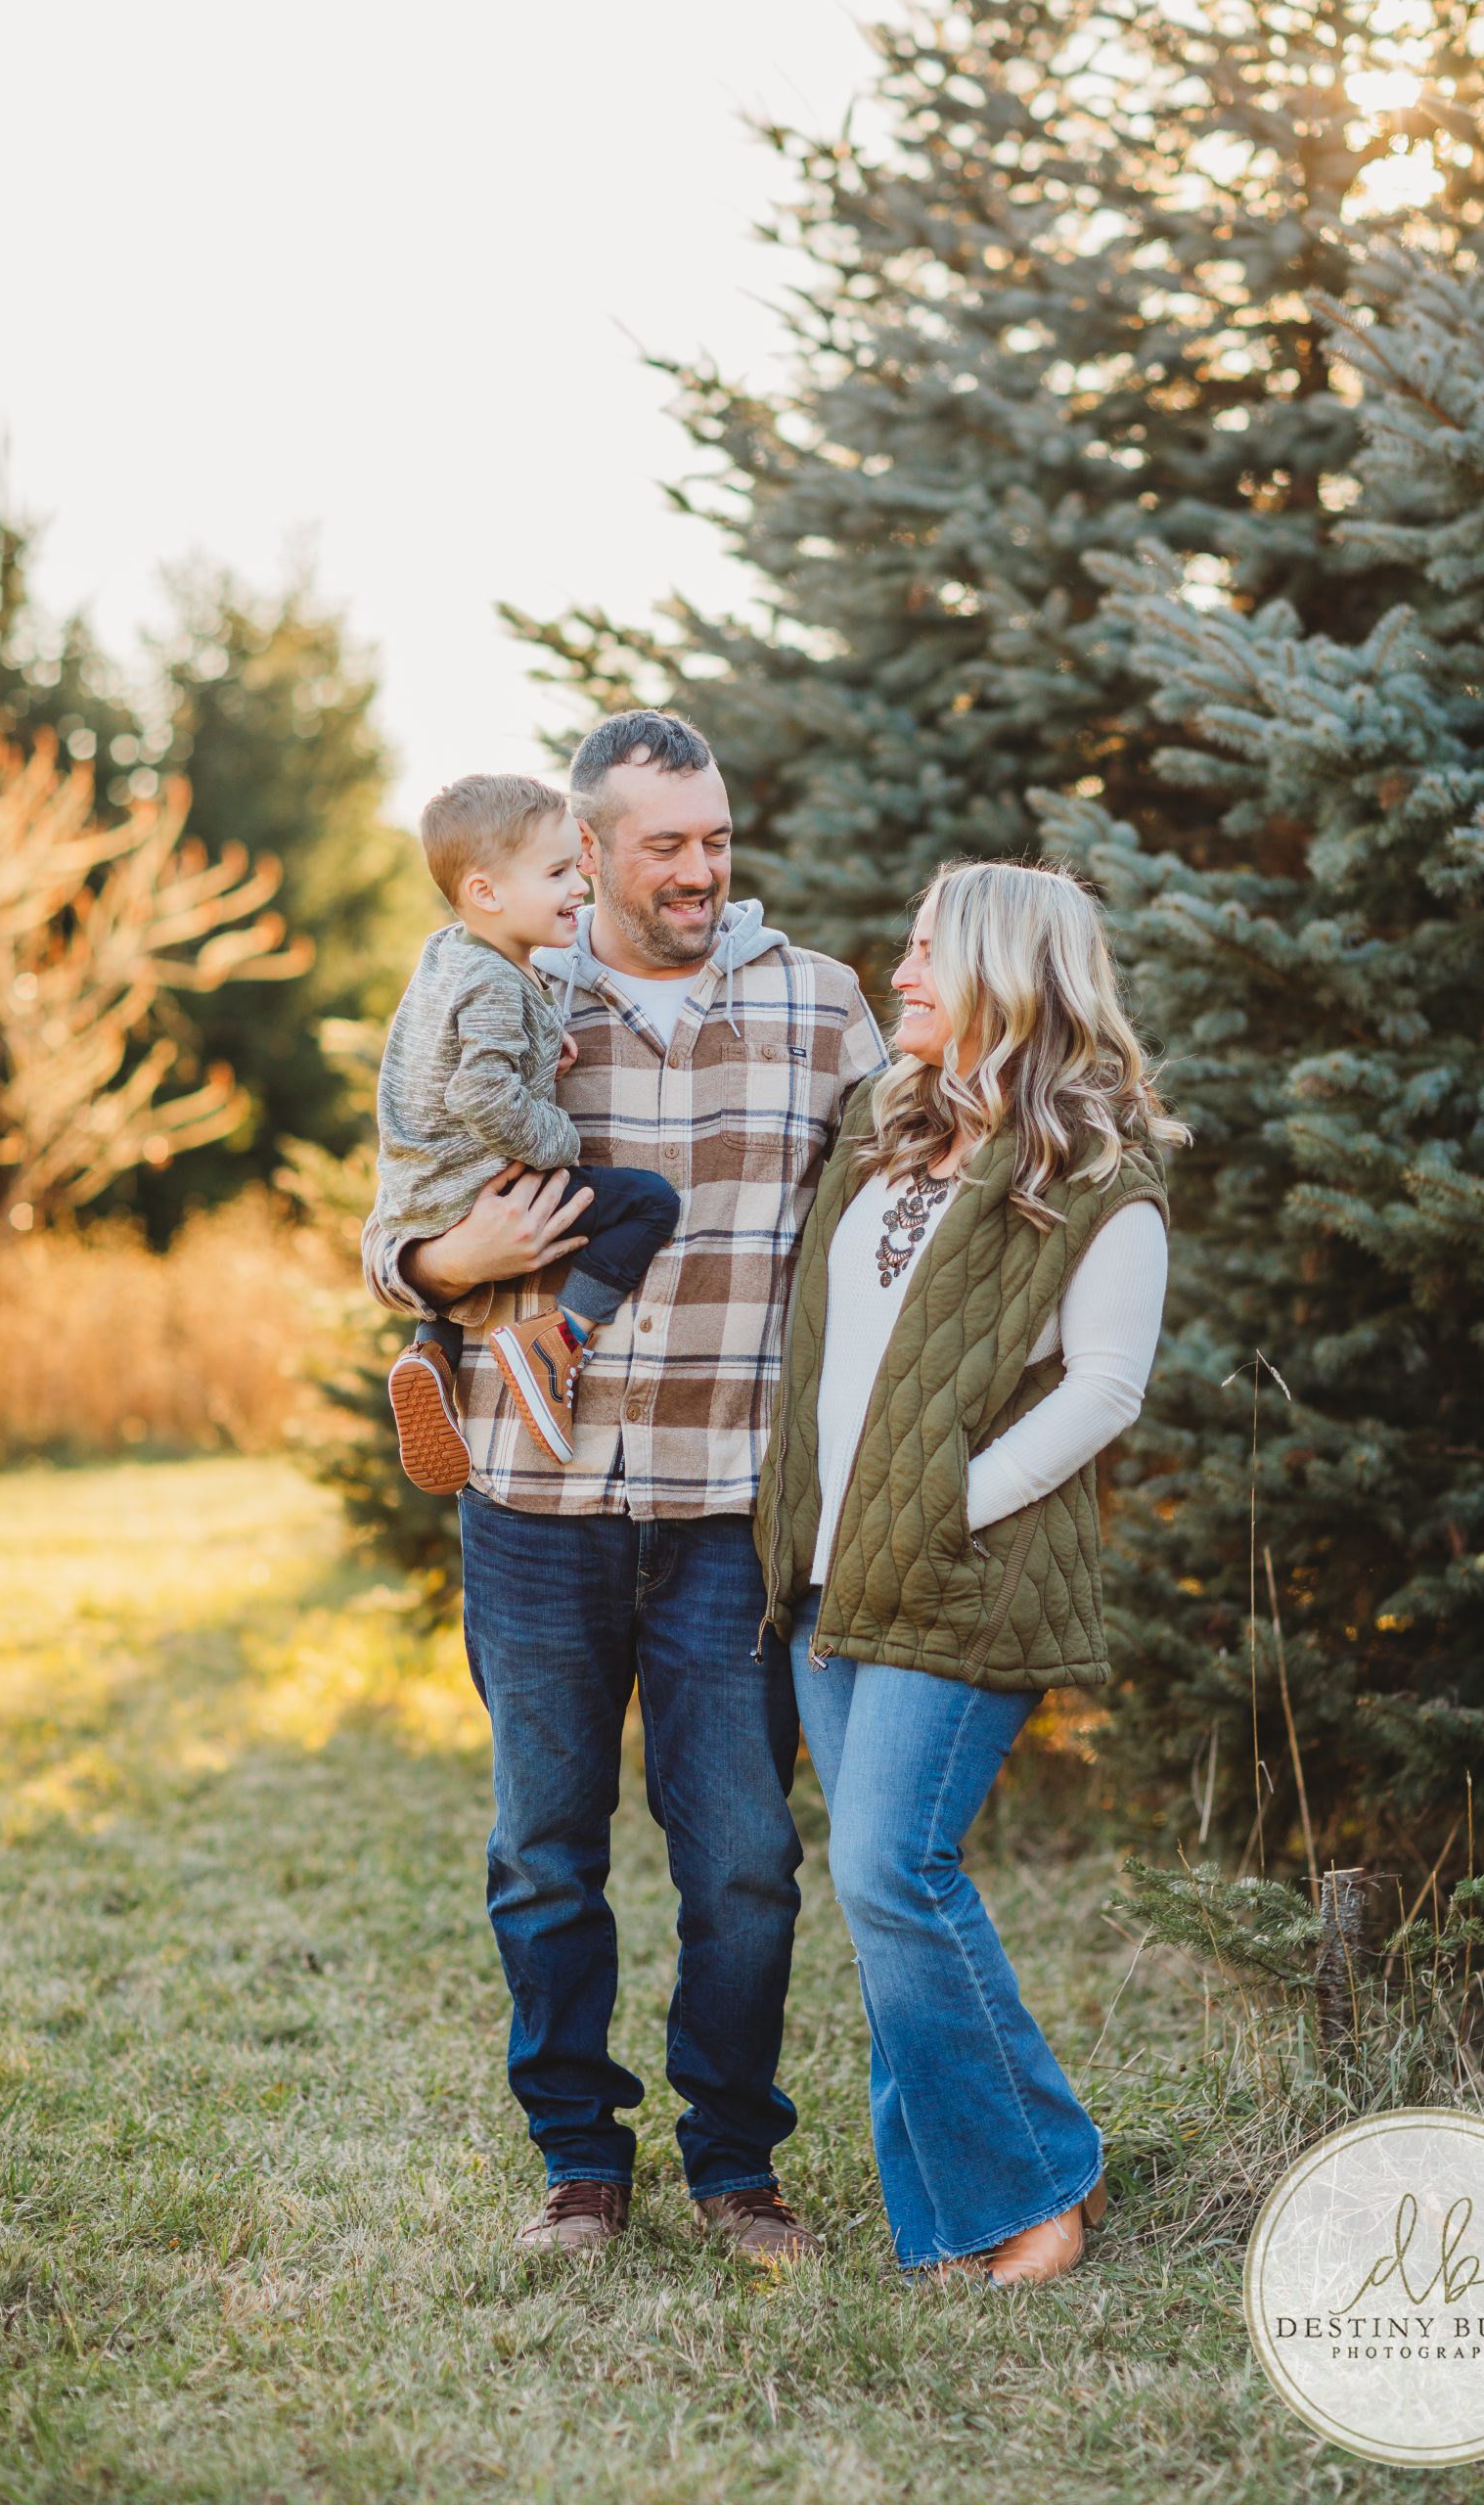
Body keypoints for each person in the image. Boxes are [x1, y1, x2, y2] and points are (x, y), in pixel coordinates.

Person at [361, 710, 887, 2259]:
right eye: (664, 844)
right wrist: (441, 1264)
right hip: (534, 1503)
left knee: (740, 1860)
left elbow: (914, 1194)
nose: (699, 870)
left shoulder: (816, 1004)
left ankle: (734, 2164)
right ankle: (578, 2164)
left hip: (729, 1510)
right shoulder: (506, 983)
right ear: (579, 853)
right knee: (543, 1848)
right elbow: (392, 1211)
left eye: (715, 838)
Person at [755, 859, 1188, 2287]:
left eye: (928, 951)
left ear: (1006, 969)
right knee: (881, 1897)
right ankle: (946, 2217)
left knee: (893, 1866)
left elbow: (1106, 1389)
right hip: (826, 1573)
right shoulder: (881, 1135)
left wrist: (949, 1508)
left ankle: (1040, 2188)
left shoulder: (1096, 1179)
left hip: (966, 1575)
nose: (898, 972)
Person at [379, 773, 680, 1492]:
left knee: (468, 1268)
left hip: (419, 1188)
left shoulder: (451, 953)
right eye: (555, 872)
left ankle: (432, 1353)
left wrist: (543, 1048)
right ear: (486, 893)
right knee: (647, 1202)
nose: (580, 882)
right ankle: (556, 1340)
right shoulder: (497, 982)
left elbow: (464, 1053)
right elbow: (480, 1091)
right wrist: (558, 1138)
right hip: (476, 1181)